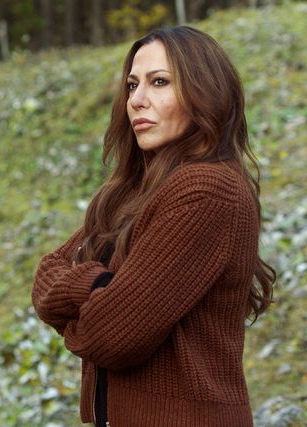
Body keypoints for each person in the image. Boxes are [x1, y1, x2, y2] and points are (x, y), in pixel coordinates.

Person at [31, 26, 275, 426]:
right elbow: (46, 276)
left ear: (205, 92)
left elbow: (110, 336)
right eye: (132, 85)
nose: (136, 100)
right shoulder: (133, 192)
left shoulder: (206, 190)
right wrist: (100, 286)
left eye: (159, 82)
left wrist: (92, 299)